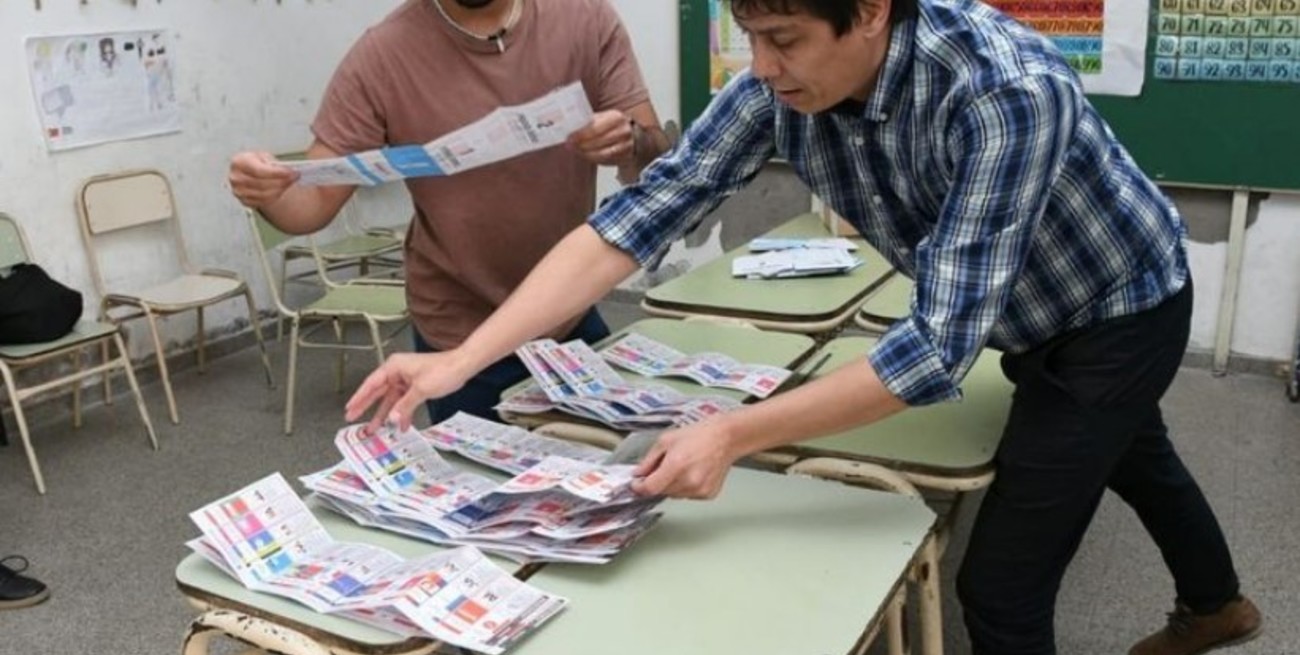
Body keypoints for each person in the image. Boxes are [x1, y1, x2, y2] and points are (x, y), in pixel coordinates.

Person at [344, 0, 1261, 653]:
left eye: (783, 39)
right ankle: (1218, 608)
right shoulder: (775, 90)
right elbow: (634, 221)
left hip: (1118, 305)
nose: (764, 67)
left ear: (870, 13)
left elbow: (936, 349)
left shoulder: (1004, 88)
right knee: (1139, 454)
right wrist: (459, 359)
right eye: (751, 38)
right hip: (1021, 311)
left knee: (1000, 585)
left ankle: (1208, 605)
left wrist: (731, 433)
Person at [229, 0, 669, 423]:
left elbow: (657, 158)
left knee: (601, 473)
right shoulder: (383, 54)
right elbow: (309, 210)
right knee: (476, 490)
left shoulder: (584, 18)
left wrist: (629, 140)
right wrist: (265, 191)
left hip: (566, 313)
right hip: (456, 324)